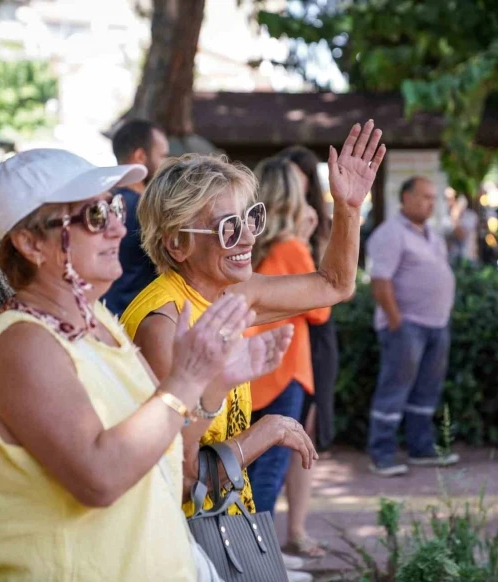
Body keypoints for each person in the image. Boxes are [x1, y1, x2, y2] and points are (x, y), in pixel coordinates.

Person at [0, 148, 294, 581]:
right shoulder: (23, 344)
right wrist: (189, 377)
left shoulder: (101, 325)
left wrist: (213, 387)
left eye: (116, 207)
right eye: (95, 216)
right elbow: (99, 478)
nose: (119, 226)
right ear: (30, 244)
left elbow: (172, 470)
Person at [120, 121, 384, 517]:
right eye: (228, 228)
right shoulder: (162, 325)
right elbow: (178, 480)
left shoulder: (231, 295)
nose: (247, 238)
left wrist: (347, 207)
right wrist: (265, 433)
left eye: (250, 219)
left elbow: (335, 285)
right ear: (177, 244)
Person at [245, 156, 330, 566]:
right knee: (271, 471)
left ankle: (251, 553)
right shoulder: (292, 247)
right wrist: (310, 241)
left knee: (248, 469)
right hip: (285, 370)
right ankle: (260, 560)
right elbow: (321, 310)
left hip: (250, 371)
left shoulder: (248, 246)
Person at [365, 176, 458, 477]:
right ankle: (381, 453)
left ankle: (421, 448)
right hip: (406, 326)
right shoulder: (390, 234)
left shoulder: (433, 234)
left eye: (433, 198)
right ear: (404, 197)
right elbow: (380, 282)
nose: (430, 203)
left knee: (426, 391)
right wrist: (396, 322)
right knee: (394, 389)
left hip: (436, 325)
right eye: (424, 197)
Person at [278, 146, 339, 559]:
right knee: (277, 430)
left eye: (303, 186)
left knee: (305, 432)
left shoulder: (319, 226)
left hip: (316, 333)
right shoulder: (277, 234)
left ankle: (296, 529)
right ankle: (266, 531)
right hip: (288, 329)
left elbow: (334, 284)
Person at [101, 120, 169, 316]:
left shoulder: (96, 206)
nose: (166, 163)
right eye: (163, 155)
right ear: (140, 156)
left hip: (103, 316)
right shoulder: (148, 210)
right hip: (138, 323)